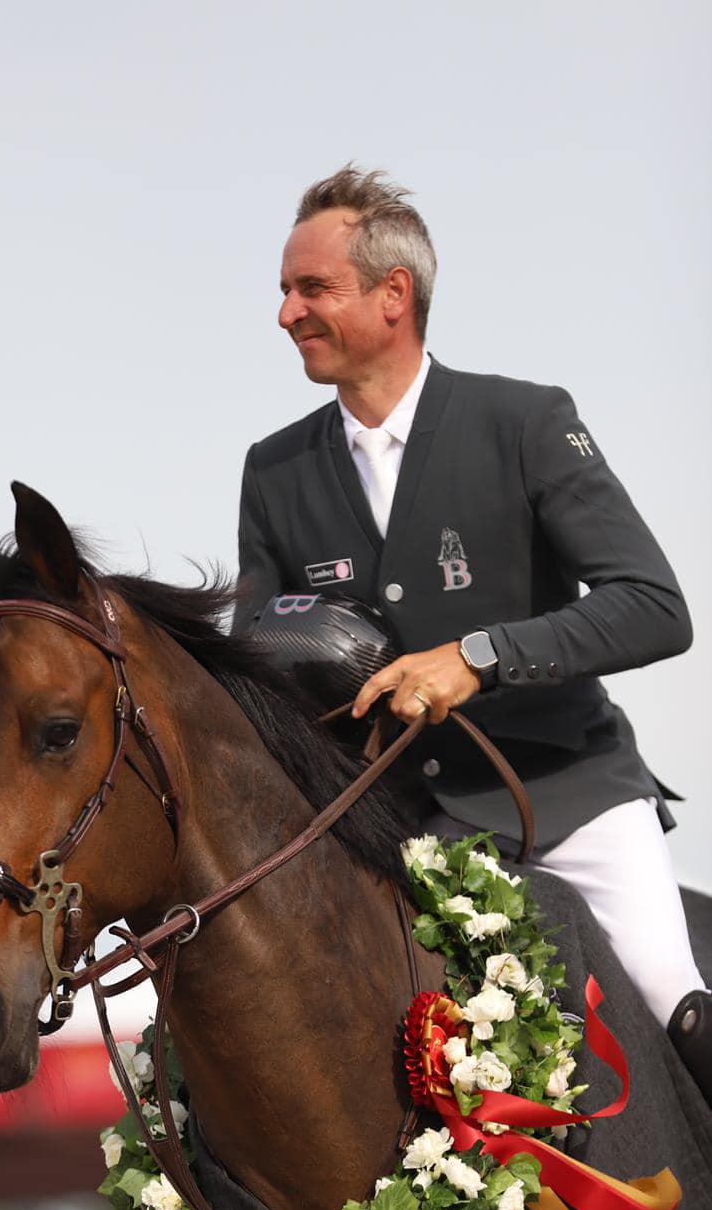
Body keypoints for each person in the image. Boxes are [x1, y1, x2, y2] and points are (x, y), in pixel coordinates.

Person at [234, 164, 711, 1100]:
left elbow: (655, 605)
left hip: (567, 791)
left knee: (669, 993)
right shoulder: (274, 470)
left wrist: (481, 657)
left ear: (393, 295)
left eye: (311, 288)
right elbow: (256, 652)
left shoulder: (524, 421)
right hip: (402, 824)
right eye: (286, 290)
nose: (286, 312)